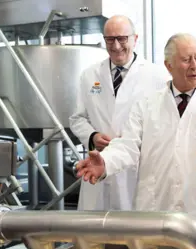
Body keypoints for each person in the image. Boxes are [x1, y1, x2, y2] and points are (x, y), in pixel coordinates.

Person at [75, 33, 196, 243]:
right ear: (169, 66)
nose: (194, 66)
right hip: (154, 212)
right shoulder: (146, 105)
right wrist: (106, 162)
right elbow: (127, 146)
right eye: (186, 59)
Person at [69, 15, 168, 211]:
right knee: (95, 235)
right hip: (98, 165)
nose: (116, 46)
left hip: (135, 172)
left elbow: (164, 126)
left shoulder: (157, 77)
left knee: (134, 235)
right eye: (109, 39)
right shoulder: (89, 75)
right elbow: (77, 118)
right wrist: (92, 136)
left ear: (135, 39)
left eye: (122, 39)